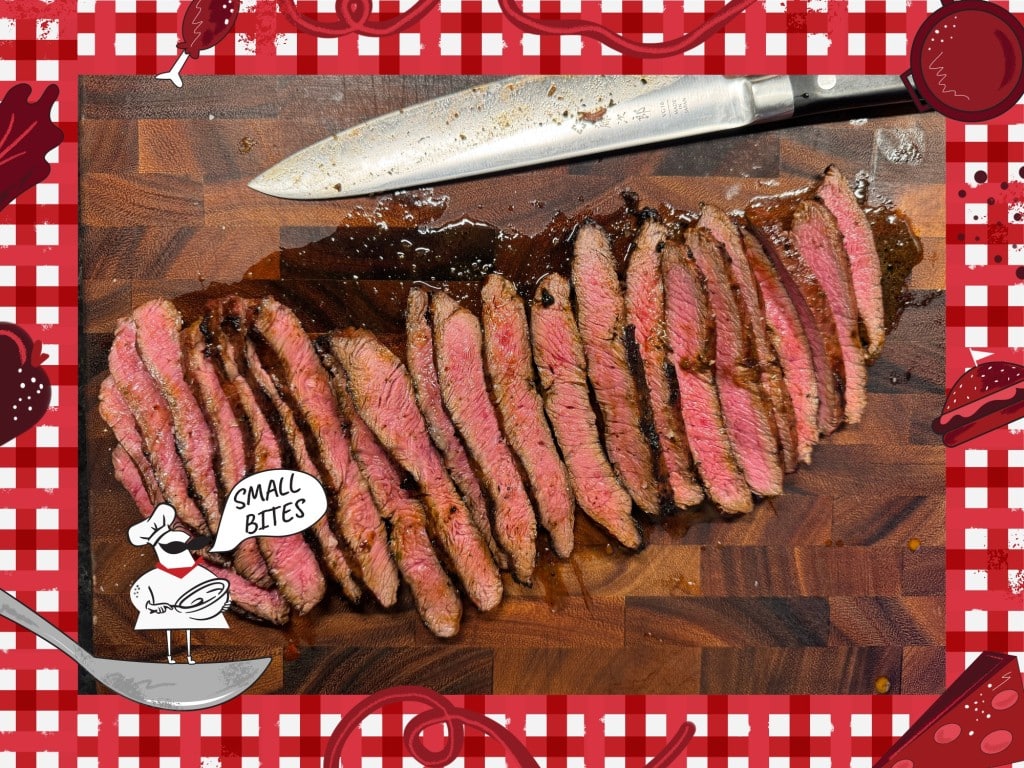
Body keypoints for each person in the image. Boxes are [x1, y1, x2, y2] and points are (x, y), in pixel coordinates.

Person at [127, 503, 230, 664]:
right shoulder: (156, 577)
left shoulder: (197, 572)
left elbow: (215, 586)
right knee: (168, 629)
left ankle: (189, 656)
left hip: (196, 611)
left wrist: (225, 601)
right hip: (164, 612)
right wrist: (150, 606)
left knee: (188, 630)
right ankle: (169, 657)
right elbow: (137, 592)